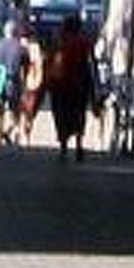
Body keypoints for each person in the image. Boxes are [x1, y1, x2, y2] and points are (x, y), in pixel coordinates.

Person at [44, 13, 98, 160]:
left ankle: (63, 146)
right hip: (80, 83)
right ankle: (79, 145)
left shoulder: (58, 42)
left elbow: (48, 61)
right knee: (79, 114)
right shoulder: (84, 42)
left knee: (61, 114)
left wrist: (47, 82)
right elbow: (92, 62)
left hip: (60, 84)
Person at [0, 20, 28, 145]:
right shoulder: (21, 48)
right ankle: (10, 132)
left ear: (5, 32)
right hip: (13, 81)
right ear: (16, 32)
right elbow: (26, 66)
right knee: (16, 112)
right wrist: (25, 82)